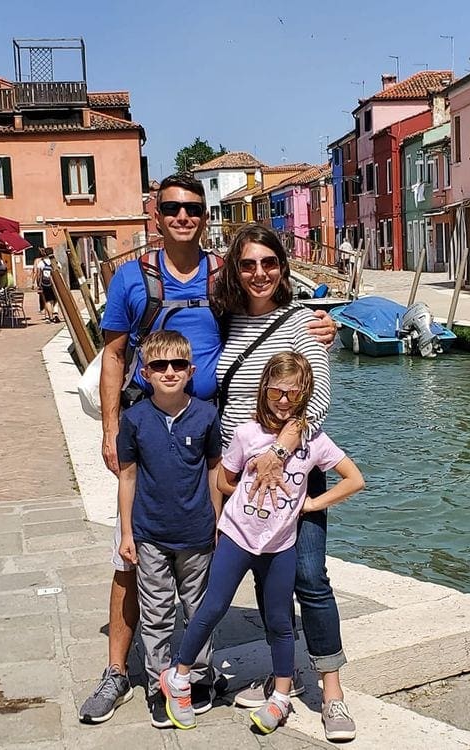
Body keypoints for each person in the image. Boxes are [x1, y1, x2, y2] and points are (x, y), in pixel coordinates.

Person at [81, 173, 336, 726]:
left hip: (211, 440)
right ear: (155, 212)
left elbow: (269, 312)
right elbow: (114, 355)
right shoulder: (133, 277)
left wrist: (319, 326)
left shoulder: (222, 273)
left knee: (201, 551)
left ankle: (192, 666)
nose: (183, 216)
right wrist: (109, 430)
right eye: (172, 207)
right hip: (147, 433)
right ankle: (116, 670)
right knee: (132, 554)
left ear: (204, 213)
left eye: (193, 207)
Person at [159, 351, 364, 735]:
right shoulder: (245, 433)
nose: (284, 400)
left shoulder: (314, 441)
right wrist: (247, 487)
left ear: (305, 393)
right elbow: (224, 480)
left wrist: (312, 503)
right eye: (276, 392)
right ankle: (179, 676)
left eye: (293, 393)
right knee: (213, 606)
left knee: (281, 620)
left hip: (281, 544)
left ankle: (281, 696)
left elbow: (355, 479)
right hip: (239, 536)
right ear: (263, 390)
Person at [212, 223, 357, 741]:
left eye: (269, 263)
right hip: (244, 479)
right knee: (267, 582)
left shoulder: (302, 322)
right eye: (248, 264)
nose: (259, 273)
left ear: (283, 267)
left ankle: (332, 692)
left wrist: (278, 450)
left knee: (310, 579)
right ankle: (283, 675)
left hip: (294, 473)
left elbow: (314, 400)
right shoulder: (224, 320)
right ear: (235, 268)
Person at [113, 330, 222, 729]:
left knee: (199, 610)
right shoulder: (135, 418)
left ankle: (197, 674)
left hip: (196, 532)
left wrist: (217, 520)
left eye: (178, 365)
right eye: (160, 366)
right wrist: (127, 533)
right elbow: (127, 478)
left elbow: (213, 470)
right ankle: (160, 685)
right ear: (146, 372)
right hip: (150, 533)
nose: (170, 372)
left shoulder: (207, 415)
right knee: (157, 614)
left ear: (191, 371)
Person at [33, 249, 60, 323]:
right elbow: (60, 272)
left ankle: (50, 317)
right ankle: (55, 314)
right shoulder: (56, 262)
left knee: (48, 300)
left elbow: (38, 274)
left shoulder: (41, 263)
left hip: (45, 284)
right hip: (55, 284)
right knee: (56, 300)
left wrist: (38, 284)